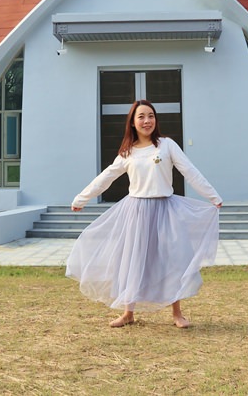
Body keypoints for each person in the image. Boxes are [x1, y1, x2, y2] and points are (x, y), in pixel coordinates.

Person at [65, 99, 223, 329]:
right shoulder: (127, 152)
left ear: (155, 120)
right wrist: (81, 198)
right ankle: (128, 312)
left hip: (166, 210)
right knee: (132, 260)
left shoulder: (167, 145)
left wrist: (213, 196)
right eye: (141, 116)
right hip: (136, 212)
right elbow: (106, 177)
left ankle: (177, 313)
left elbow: (190, 171)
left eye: (150, 116)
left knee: (172, 260)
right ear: (132, 122)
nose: (146, 120)